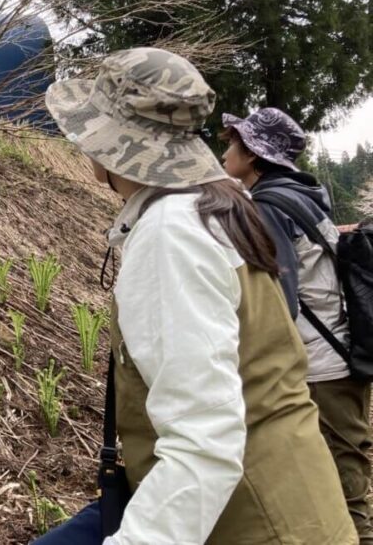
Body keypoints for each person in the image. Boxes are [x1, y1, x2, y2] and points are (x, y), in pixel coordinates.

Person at [32, 47, 355, 544]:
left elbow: (205, 442)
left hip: (253, 523)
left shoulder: (172, 234)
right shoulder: (214, 206)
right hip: (289, 505)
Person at [221, 107, 373, 542]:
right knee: (344, 465)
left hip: (321, 366)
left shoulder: (270, 207)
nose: (226, 149)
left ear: (253, 155)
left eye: (234, 142)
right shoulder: (301, 196)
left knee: (343, 476)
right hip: (337, 353)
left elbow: (278, 300)